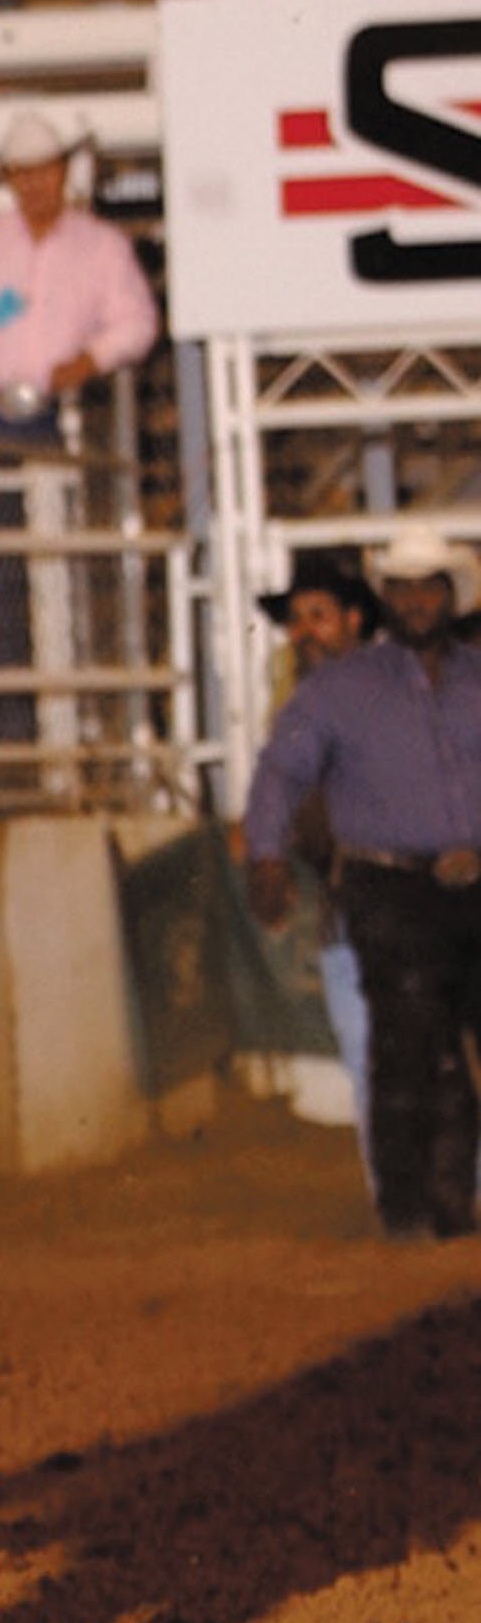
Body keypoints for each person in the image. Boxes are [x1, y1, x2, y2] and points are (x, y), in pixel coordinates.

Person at [240, 526, 481, 1238]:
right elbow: (282, 771)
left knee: (432, 1047)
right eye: (401, 588)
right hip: (390, 885)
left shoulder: (475, 680)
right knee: (410, 1043)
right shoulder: (341, 691)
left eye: (427, 586)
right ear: (385, 599)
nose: (414, 600)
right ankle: (413, 1207)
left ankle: (444, 1200)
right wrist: (266, 853)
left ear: (449, 596)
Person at [0, 112, 160, 744]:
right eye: (24, 173)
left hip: (44, 423)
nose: (36, 184)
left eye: (45, 170)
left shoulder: (100, 247)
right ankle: (15, 725)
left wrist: (86, 361)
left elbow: (136, 322)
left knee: (56, 572)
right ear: (9, 178)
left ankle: (64, 725)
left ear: (63, 173)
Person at [240, 559, 381, 1172]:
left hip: (412, 906)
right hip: (348, 908)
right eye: (296, 621)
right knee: (365, 1053)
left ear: (353, 619)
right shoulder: (301, 713)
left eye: (317, 615)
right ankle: (408, 1206)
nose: (304, 631)